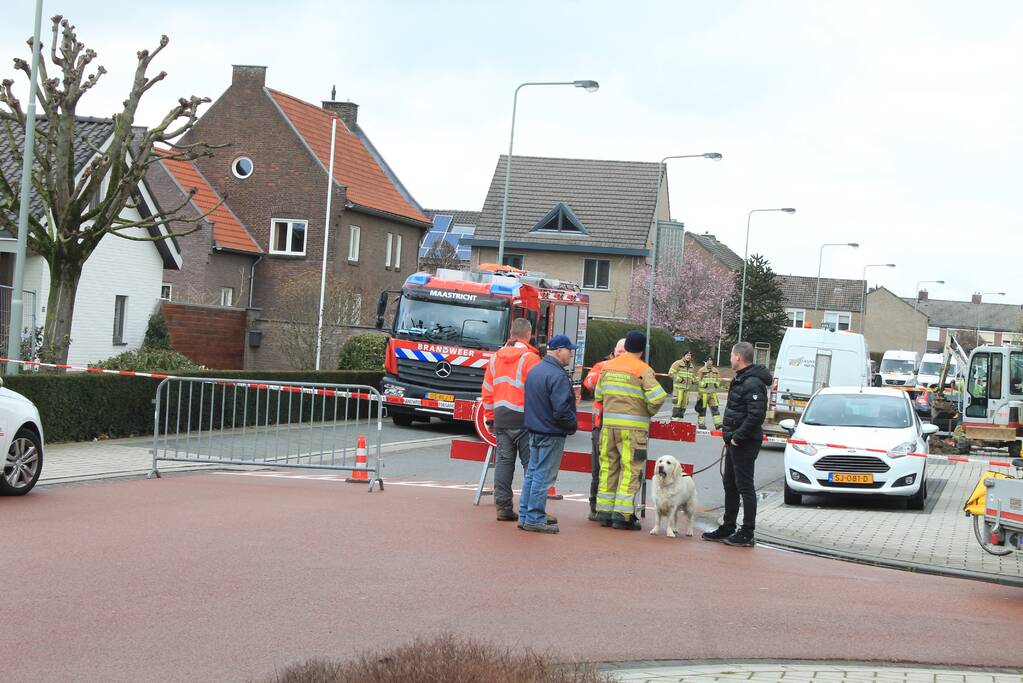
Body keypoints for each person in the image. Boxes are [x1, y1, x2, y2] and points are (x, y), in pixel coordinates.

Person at [594, 330, 668, 530]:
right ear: (642, 349)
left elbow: (598, 394)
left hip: (609, 427)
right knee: (630, 469)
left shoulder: (608, 367)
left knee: (608, 467)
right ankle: (623, 515)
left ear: (625, 347)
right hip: (633, 430)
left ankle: (604, 511)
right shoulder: (642, 369)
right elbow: (658, 397)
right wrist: (647, 411)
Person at [702, 341, 772, 548]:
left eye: (732, 355)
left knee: (744, 486)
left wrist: (737, 437)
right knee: (730, 484)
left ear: (739, 357)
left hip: (745, 442)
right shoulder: (741, 378)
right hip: (734, 440)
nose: (730, 358)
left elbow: (756, 415)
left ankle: (747, 532)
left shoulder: (752, 382)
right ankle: (728, 526)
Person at [480, 318, 541, 522]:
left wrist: (490, 418)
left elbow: (487, 391)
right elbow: (538, 391)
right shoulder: (531, 359)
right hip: (525, 419)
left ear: (511, 333)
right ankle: (531, 509)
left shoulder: (495, 358)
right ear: (528, 334)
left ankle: (503, 507)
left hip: (501, 418)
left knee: (504, 464)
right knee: (531, 466)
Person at [519, 335, 579, 534]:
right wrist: (572, 425)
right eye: (569, 350)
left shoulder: (536, 371)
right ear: (558, 350)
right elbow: (561, 409)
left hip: (535, 429)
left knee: (532, 474)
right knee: (543, 477)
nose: (571, 354)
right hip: (551, 432)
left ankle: (525, 515)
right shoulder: (558, 376)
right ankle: (534, 518)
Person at [582, 338, 626, 522]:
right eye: (619, 351)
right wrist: (608, 372)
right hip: (601, 426)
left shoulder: (635, 368)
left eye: (624, 352)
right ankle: (595, 507)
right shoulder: (602, 366)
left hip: (625, 427)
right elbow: (589, 383)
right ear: (613, 351)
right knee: (598, 469)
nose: (621, 355)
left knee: (622, 469)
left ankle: (617, 509)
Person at [694, 358, 723, 430]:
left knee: (715, 408)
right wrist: (703, 384)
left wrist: (717, 384)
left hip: (712, 394)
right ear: (706, 362)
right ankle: (701, 425)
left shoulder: (715, 371)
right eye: (708, 360)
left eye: (711, 361)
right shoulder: (701, 370)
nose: (710, 362)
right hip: (703, 394)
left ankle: (718, 424)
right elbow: (697, 380)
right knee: (702, 409)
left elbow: (719, 379)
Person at [668, 351, 695, 420]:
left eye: (690, 355)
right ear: (683, 356)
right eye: (687, 355)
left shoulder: (691, 366)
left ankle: (680, 420)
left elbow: (692, 376)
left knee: (684, 405)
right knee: (678, 404)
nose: (689, 356)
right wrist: (680, 380)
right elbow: (671, 374)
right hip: (678, 389)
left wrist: (694, 380)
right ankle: (674, 420)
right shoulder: (677, 363)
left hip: (687, 389)